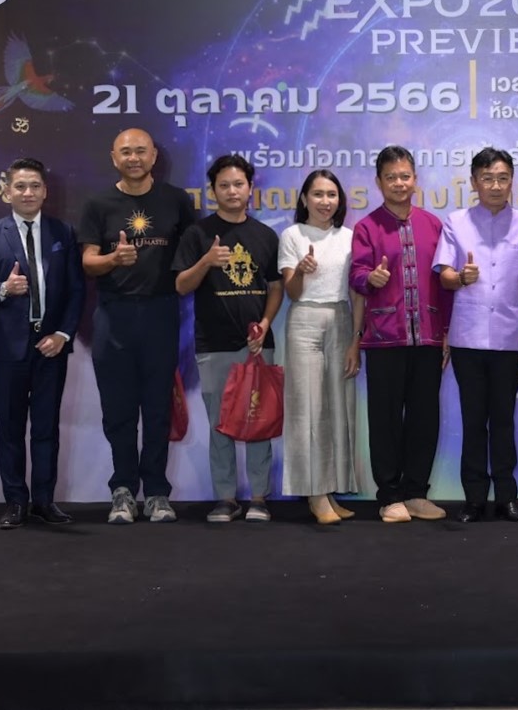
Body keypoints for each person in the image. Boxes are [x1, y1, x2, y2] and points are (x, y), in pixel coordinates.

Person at [80, 128, 196, 524]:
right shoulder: (98, 203)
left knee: (158, 408)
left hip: (161, 315)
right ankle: (123, 491)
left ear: (154, 156)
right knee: (119, 410)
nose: (134, 158)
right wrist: (114, 259)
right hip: (113, 317)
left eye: (141, 151)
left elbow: (190, 256)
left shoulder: (177, 201)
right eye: (126, 152)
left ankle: (158, 492)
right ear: (114, 157)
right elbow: (88, 261)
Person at [0, 157, 85, 529]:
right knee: (10, 429)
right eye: (20, 186)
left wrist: (63, 334)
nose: (28, 193)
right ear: (7, 192)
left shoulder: (62, 232)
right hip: (8, 348)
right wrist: (5, 288)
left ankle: (45, 501)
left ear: (45, 191)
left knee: (46, 428)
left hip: (51, 346)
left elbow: (76, 290)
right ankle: (16, 502)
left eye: (35, 186)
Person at [434, 148, 518, 524]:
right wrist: (460, 277)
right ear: (474, 182)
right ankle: (474, 499)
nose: (495, 186)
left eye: (502, 178)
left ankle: (507, 498)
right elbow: (444, 275)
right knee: (473, 421)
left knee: (503, 421)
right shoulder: (456, 222)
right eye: (487, 178)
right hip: (467, 340)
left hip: (511, 339)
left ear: (511, 181)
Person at [173, 155, 282, 523]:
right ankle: (225, 498)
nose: (232, 191)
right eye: (224, 185)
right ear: (213, 191)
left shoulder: (265, 235)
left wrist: (265, 323)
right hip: (214, 343)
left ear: (250, 189)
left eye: (238, 184)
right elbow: (181, 285)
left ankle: (259, 497)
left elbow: (276, 287)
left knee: (259, 420)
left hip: (256, 345)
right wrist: (206, 261)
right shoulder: (198, 234)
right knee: (219, 423)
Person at [349, 146, 453, 523]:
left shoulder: (433, 225)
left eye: (405, 176)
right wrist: (370, 278)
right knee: (385, 419)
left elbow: (444, 284)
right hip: (383, 338)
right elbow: (356, 275)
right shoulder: (366, 227)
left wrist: (445, 332)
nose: (399, 183)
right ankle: (389, 495)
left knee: (425, 418)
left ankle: (416, 493)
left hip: (428, 338)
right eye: (391, 177)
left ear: (415, 180)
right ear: (379, 182)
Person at [278, 169, 362, 524]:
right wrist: (300, 270)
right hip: (304, 321)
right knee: (308, 409)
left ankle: (330, 489)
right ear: (304, 199)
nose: (325, 201)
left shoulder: (350, 237)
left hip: (341, 319)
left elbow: (357, 293)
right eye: (318, 194)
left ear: (339, 200)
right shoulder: (292, 235)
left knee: (339, 409)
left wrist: (356, 340)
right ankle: (314, 494)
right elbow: (292, 292)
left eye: (331, 195)